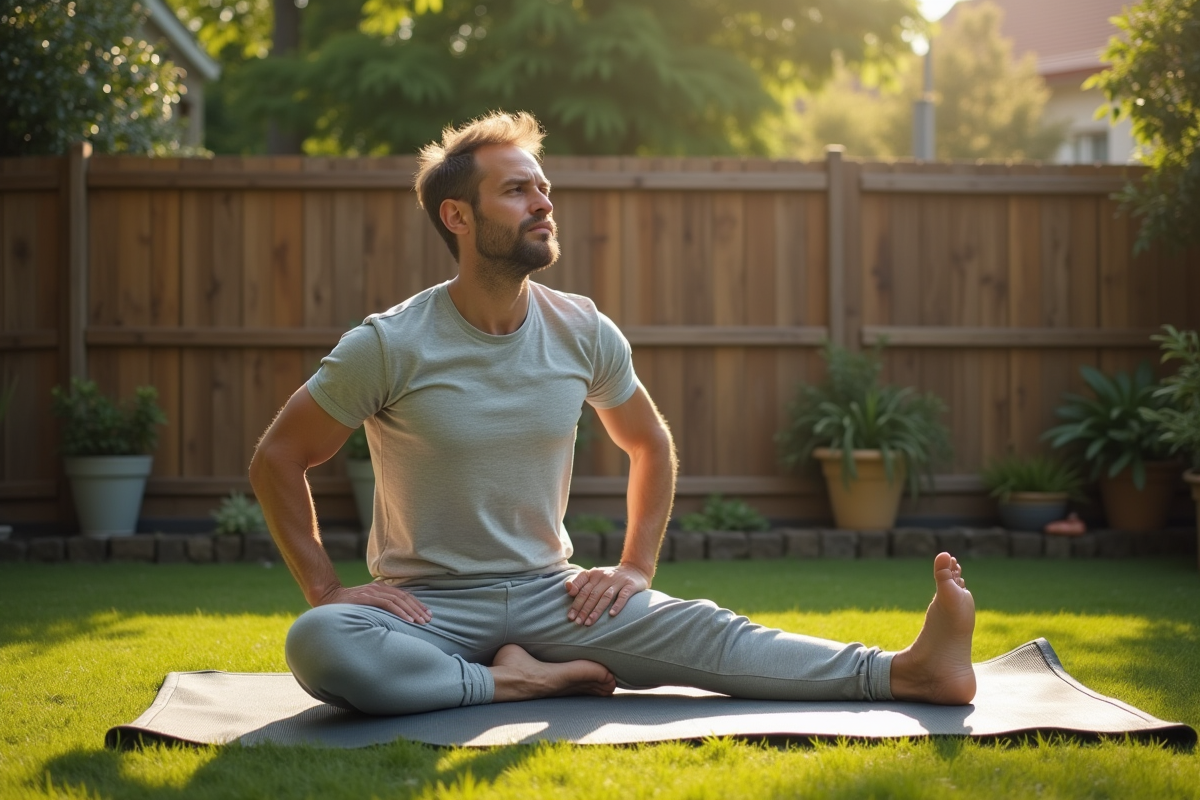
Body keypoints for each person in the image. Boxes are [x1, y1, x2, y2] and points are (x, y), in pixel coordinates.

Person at [248, 111, 977, 717]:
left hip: (551, 597)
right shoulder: (390, 343)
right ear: (458, 217)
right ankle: (519, 680)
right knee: (321, 639)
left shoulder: (582, 329)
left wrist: (634, 567)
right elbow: (277, 457)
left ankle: (910, 671)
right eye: (516, 191)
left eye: (543, 187)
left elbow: (649, 444)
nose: (542, 203)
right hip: (427, 610)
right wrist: (328, 588)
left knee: (706, 630)